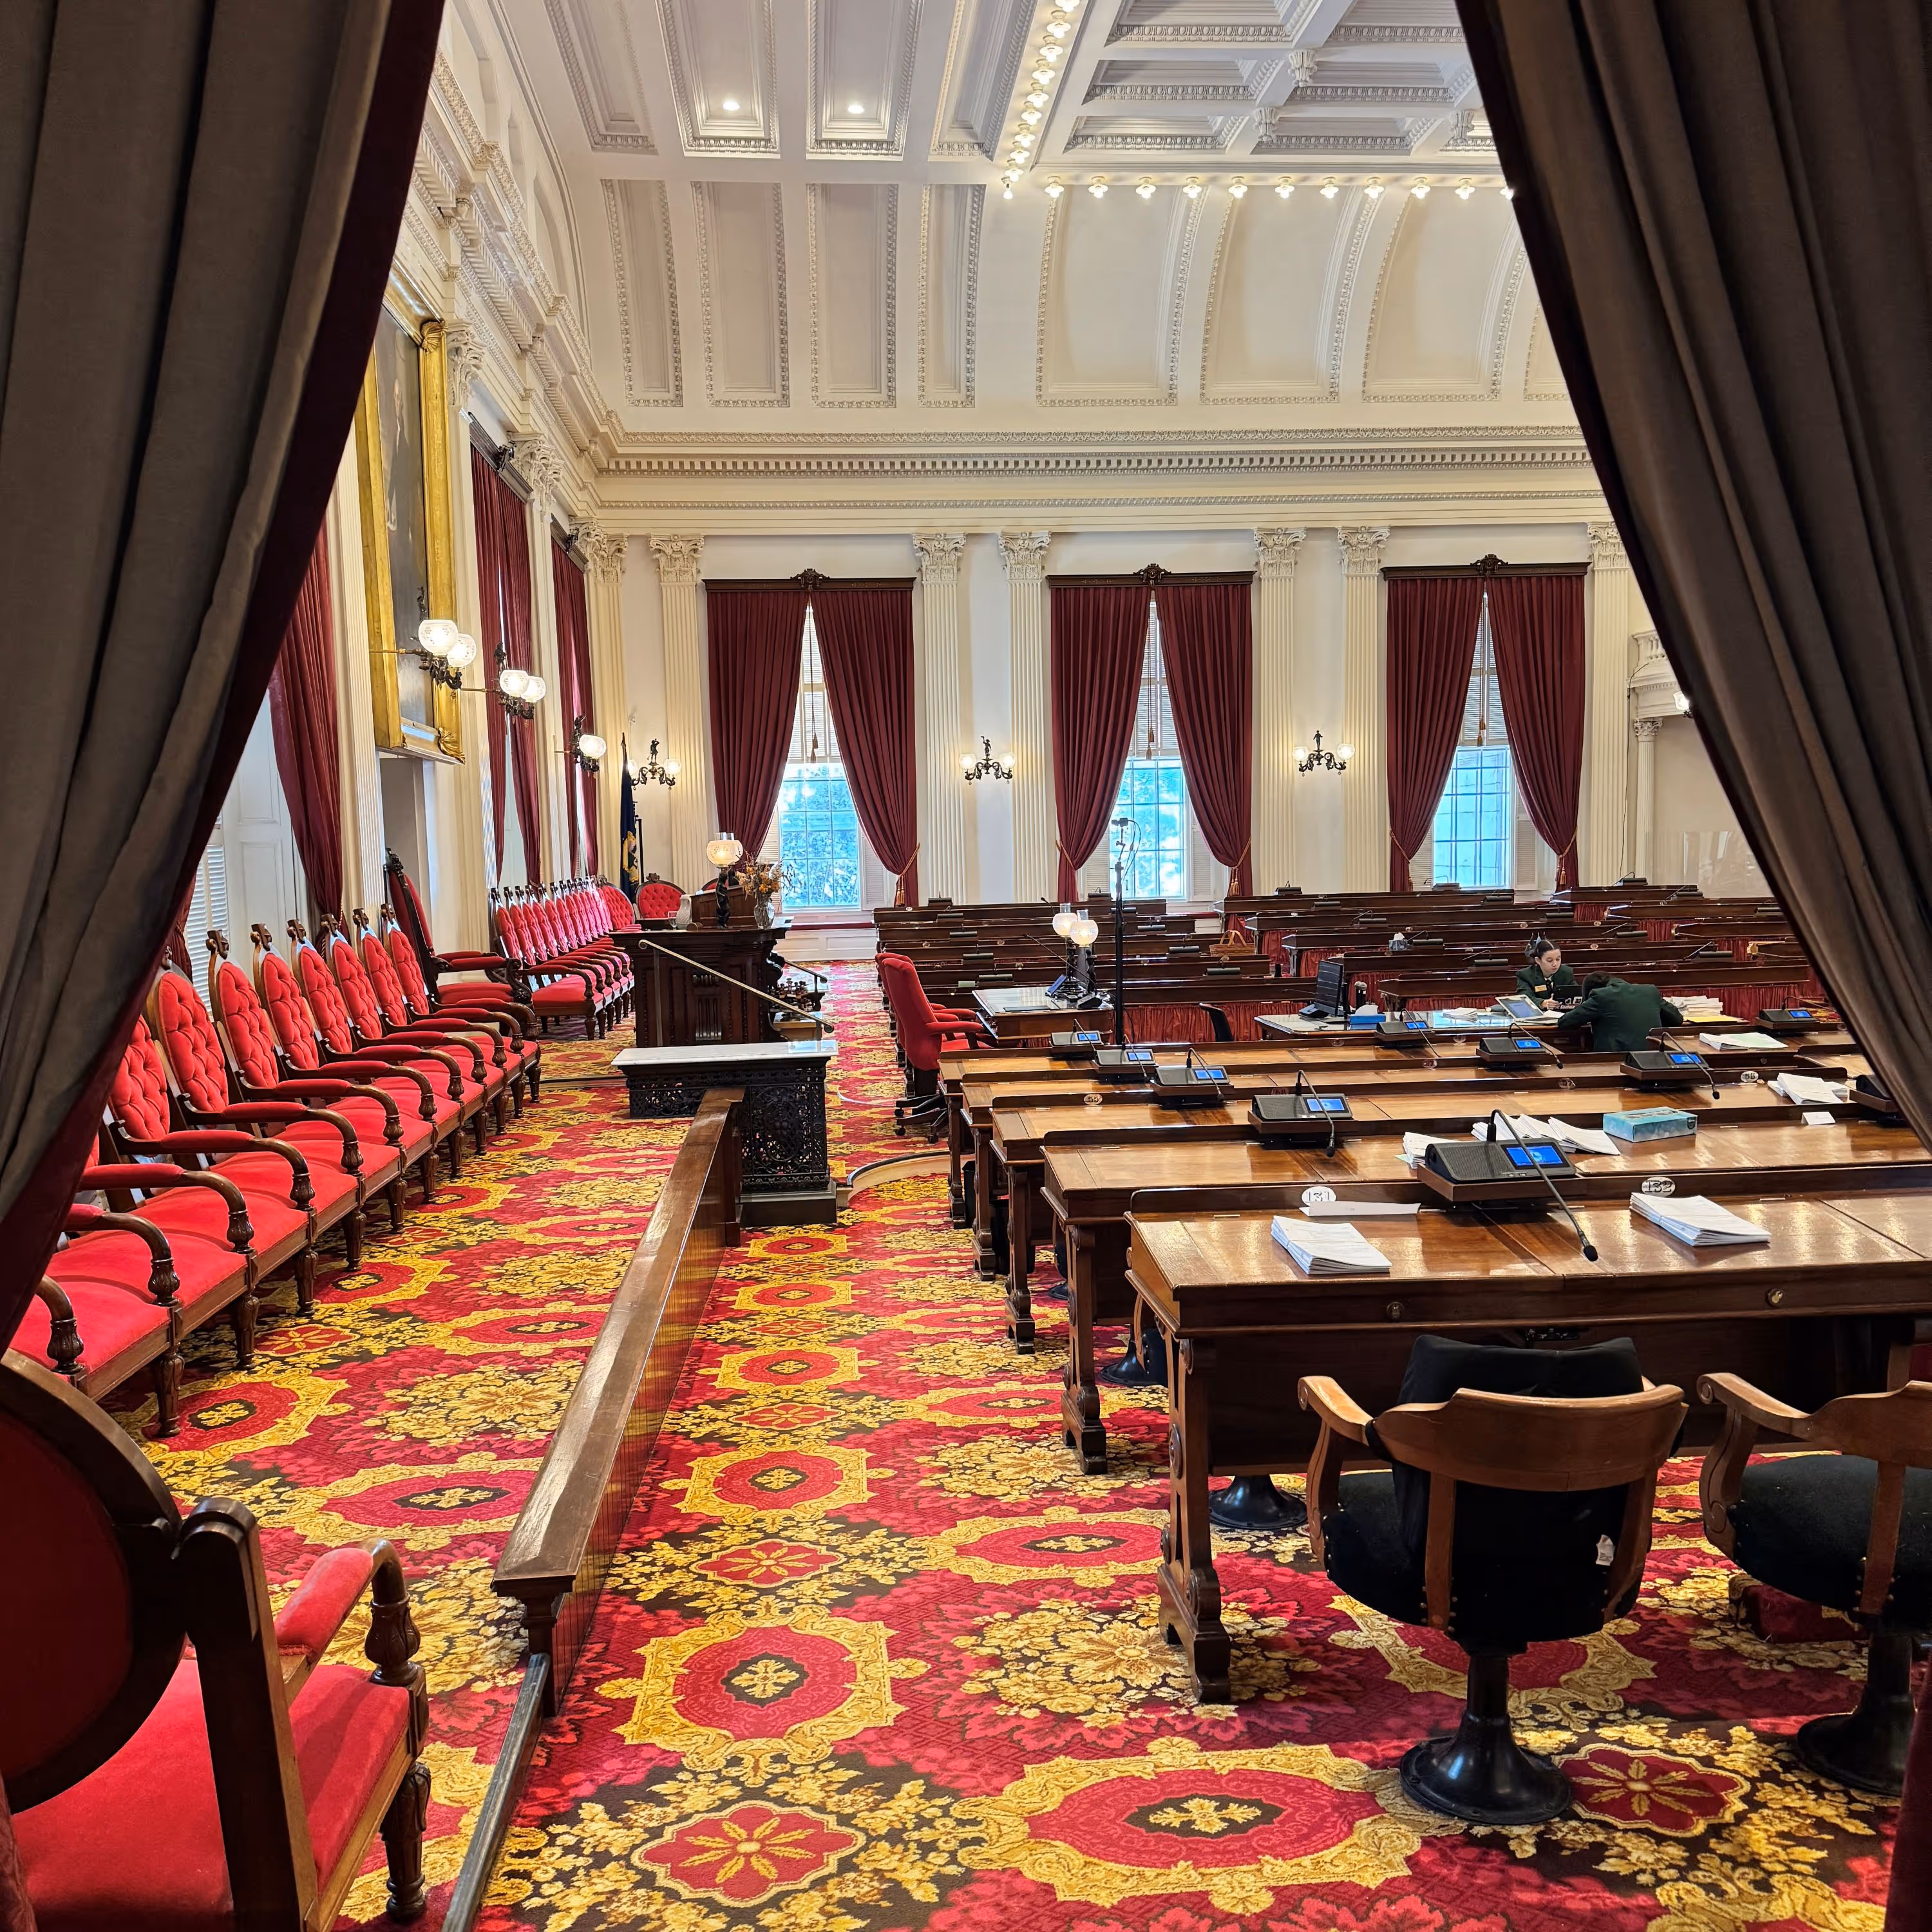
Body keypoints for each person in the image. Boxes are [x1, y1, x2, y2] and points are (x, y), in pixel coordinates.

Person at [1555, 972, 1684, 1054]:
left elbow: (1565, 1022)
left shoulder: (1601, 995)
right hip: (1654, 1057)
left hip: (1615, 1060)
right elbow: (1677, 1019)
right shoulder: (1649, 991)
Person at [1516, 938, 1577, 1007]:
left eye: (1558, 959)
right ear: (1538, 960)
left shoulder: (1566, 972)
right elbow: (1524, 998)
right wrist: (1543, 1003)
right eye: (1550, 961)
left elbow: (1577, 994)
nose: (1555, 964)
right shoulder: (1525, 975)